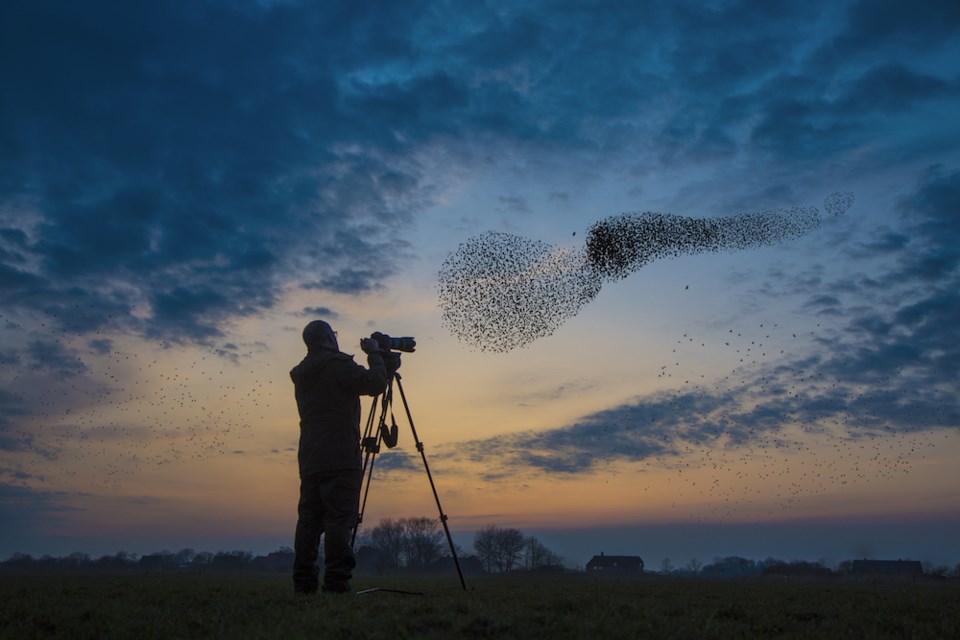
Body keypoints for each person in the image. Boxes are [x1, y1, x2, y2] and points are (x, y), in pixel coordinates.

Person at [291, 320, 388, 594]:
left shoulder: (303, 373)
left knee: (309, 520)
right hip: (340, 456)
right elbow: (376, 383)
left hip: (310, 457)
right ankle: (336, 583)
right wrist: (375, 354)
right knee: (339, 519)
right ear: (328, 339)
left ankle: (304, 583)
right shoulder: (337, 365)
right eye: (334, 335)